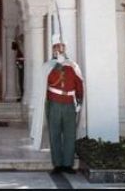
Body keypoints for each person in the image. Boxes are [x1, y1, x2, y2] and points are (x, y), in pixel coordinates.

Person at [30, 35, 84, 175]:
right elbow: (45, 83)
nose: (59, 51)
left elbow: (79, 84)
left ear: (65, 50)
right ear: (53, 50)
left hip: (69, 104)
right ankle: (57, 164)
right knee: (54, 134)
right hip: (54, 104)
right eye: (56, 48)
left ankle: (68, 164)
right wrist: (58, 66)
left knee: (69, 134)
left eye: (61, 48)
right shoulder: (48, 66)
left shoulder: (73, 66)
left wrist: (79, 100)